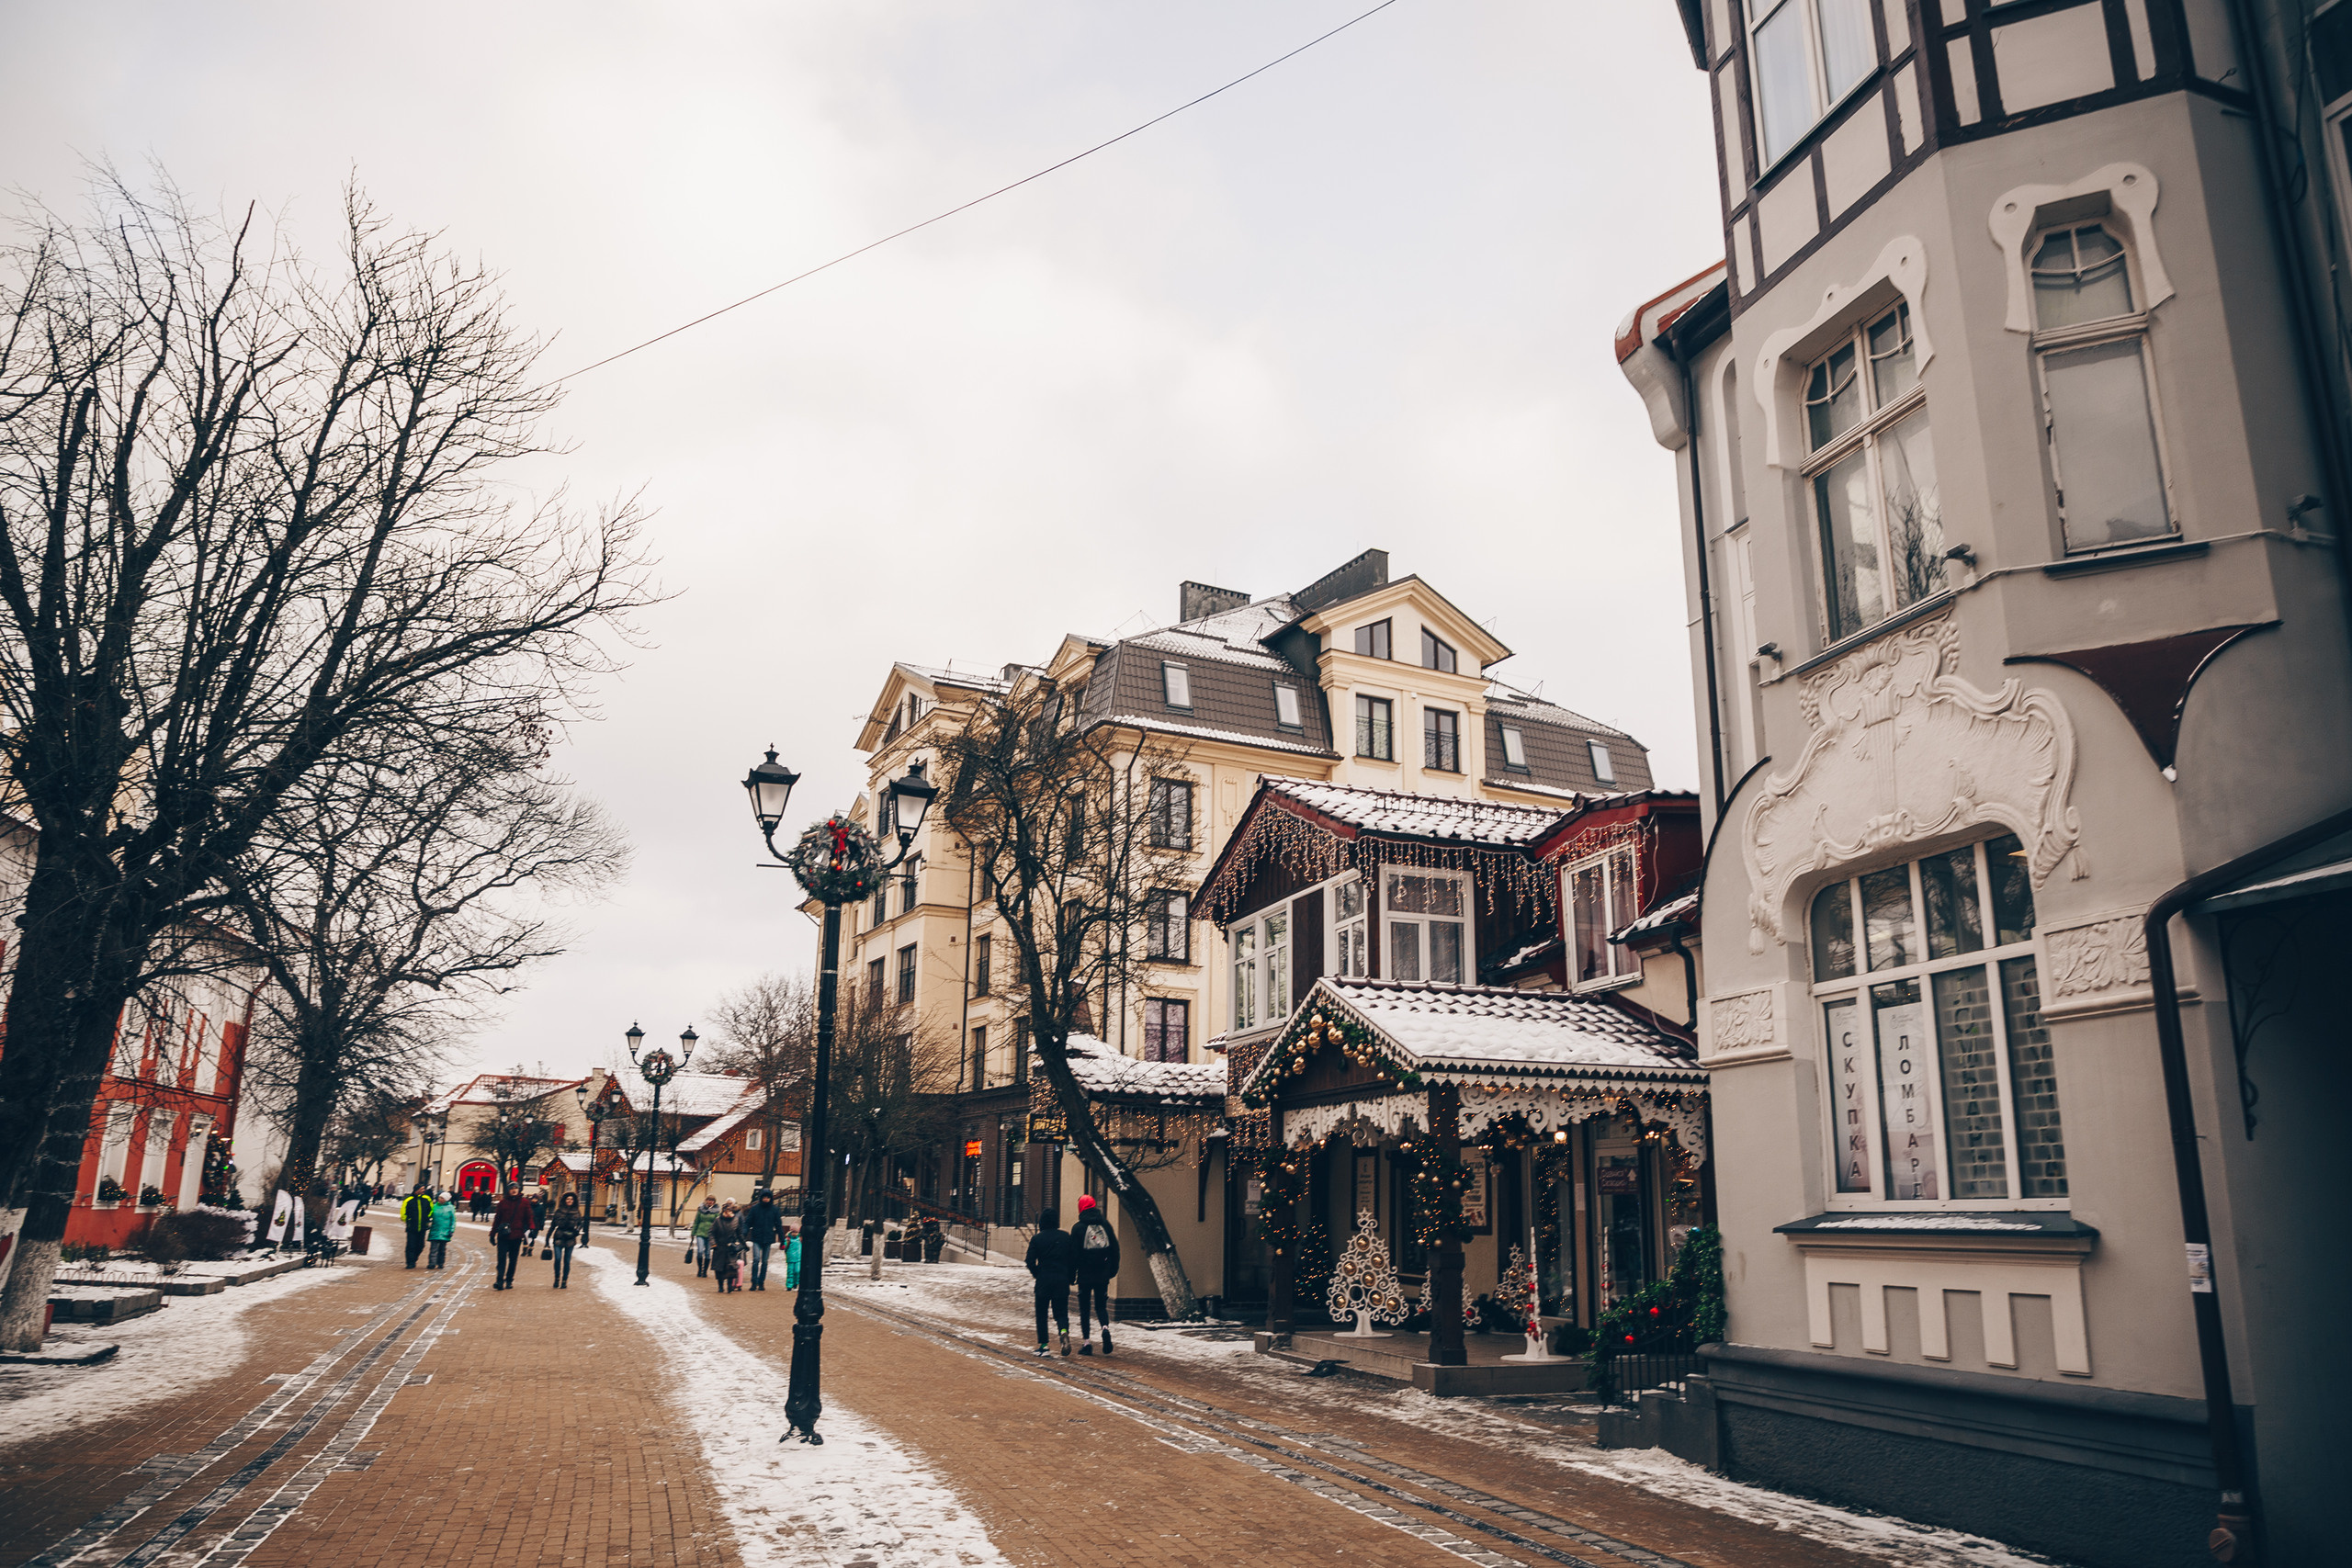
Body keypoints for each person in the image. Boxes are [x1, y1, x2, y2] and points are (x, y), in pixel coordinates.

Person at [1070, 1194, 1121, 1355]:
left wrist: (1072, 1275)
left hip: (1085, 1276)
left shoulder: (1078, 1228)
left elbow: (1073, 1254)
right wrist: (1112, 1270)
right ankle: (1105, 1328)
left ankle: (1087, 1343)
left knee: (1084, 1309)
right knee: (1101, 1306)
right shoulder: (1105, 1225)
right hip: (1102, 1274)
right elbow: (1115, 1249)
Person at [1024, 1205, 1078, 1357]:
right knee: (1061, 1312)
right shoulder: (1065, 1237)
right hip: (1061, 1279)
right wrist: (1071, 1277)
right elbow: (1073, 1260)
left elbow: (1029, 1260)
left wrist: (1037, 1274)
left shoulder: (1037, 1239)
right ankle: (1063, 1331)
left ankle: (1044, 1345)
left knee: (1041, 1313)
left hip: (1044, 1280)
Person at [491, 1181, 535, 1290]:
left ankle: (509, 1279)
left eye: (516, 1188)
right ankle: (499, 1280)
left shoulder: (524, 1202)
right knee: (501, 1259)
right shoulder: (503, 1203)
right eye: (511, 1188)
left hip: (517, 1235)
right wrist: (492, 1234)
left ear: (519, 1190)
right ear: (508, 1190)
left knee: (513, 1259)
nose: (514, 1190)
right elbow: (497, 1219)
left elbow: (529, 1217)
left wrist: (532, 1228)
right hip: (503, 1235)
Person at [742, 1190, 782, 1291]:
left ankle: (761, 1282)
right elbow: (748, 1222)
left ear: (770, 1198)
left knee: (764, 1262)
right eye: (764, 1197)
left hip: (768, 1238)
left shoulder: (774, 1210)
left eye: (768, 1197)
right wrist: (744, 1234)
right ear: (761, 1198)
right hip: (757, 1238)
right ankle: (754, 1282)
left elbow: (778, 1225)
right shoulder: (755, 1209)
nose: (766, 1199)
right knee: (756, 1260)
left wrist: (782, 1239)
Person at [548, 1191, 582, 1289]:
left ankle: (564, 1280)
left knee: (567, 1261)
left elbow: (580, 1223)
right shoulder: (559, 1211)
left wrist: (577, 1231)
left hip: (570, 1238)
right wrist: (547, 1239)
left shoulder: (577, 1211)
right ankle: (557, 1278)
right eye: (568, 1199)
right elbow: (553, 1226)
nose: (569, 1201)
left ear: (574, 1201)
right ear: (564, 1200)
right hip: (559, 1237)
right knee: (557, 1259)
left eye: (571, 1199)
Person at [712, 1201, 742, 1293]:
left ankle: (730, 1286)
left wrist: (743, 1244)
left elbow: (739, 1234)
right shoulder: (718, 1220)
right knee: (719, 1268)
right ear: (723, 1211)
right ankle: (720, 1286)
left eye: (730, 1211)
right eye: (726, 1211)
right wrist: (713, 1244)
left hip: (731, 1248)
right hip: (719, 1247)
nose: (728, 1213)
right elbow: (711, 1233)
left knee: (731, 1267)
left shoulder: (735, 1220)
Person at [401, 1183, 433, 1269]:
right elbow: (403, 1213)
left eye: (423, 1189)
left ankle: (414, 1258)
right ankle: (410, 1262)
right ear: (416, 1190)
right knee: (411, 1245)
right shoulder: (409, 1200)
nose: (423, 1190)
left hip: (422, 1227)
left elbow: (431, 1210)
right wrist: (408, 1220)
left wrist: (428, 1217)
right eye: (422, 1189)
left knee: (421, 1245)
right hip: (412, 1227)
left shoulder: (427, 1199)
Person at [690, 1196, 718, 1277]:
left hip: (710, 1234)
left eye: (712, 1200)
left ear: (714, 1202)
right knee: (700, 1251)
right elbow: (696, 1222)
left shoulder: (716, 1211)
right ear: (706, 1201)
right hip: (700, 1232)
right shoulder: (701, 1209)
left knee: (708, 1253)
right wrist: (693, 1232)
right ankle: (700, 1269)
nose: (710, 1202)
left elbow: (718, 1224)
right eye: (709, 1200)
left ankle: (705, 1271)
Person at [428, 1190, 456, 1269]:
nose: (440, 1199)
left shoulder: (450, 1208)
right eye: (440, 1198)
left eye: (442, 1198)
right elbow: (430, 1215)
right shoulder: (435, 1206)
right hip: (435, 1230)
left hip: (445, 1231)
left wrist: (451, 1230)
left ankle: (440, 1263)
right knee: (433, 1249)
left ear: (446, 1199)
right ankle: (432, 1263)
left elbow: (453, 1220)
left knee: (442, 1249)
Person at [783, 1225, 802, 1292]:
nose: (794, 1234)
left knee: (797, 1271)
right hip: (790, 1258)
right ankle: (789, 1285)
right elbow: (785, 1246)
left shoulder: (800, 1239)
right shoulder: (788, 1239)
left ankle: (796, 1284)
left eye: (796, 1232)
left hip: (798, 1258)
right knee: (790, 1272)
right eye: (793, 1232)